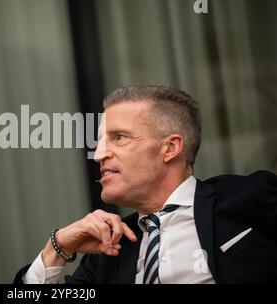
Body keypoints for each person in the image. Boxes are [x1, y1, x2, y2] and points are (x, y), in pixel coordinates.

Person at [14, 85, 277, 284]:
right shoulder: (109, 250)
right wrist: (59, 246)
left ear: (170, 148)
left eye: (119, 138)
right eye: (100, 142)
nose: (98, 154)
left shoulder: (250, 198)